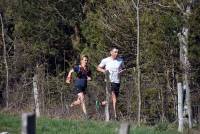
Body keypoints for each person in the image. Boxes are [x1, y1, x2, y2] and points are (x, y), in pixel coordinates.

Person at [97, 47, 125, 119]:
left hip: (117, 81)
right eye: (115, 52)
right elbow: (98, 67)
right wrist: (104, 71)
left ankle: (101, 103)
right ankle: (115, 116)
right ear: (111, 52)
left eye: (117, 52)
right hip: (109, 81)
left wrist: (121, 71)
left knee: (112, 99)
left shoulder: (120, 60)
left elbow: (124, 68)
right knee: (114, 97)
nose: (116, 53)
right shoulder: (106, 60)